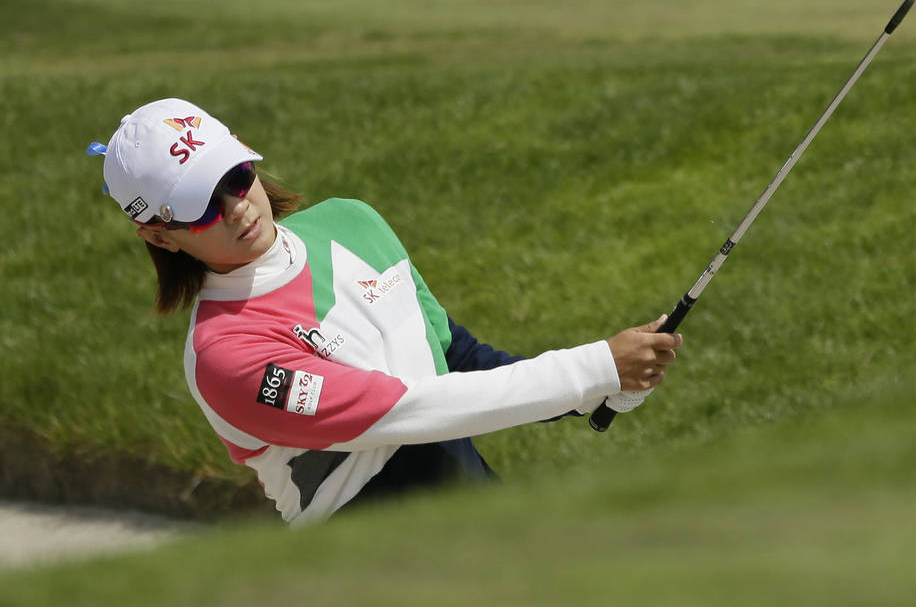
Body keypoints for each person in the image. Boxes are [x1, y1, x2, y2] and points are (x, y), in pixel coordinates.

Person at [88, 98, 681, 527]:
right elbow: (405, 410)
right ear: (161, 237)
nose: (237, 206)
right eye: (201, 207)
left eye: (236, 177)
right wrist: (592, 369)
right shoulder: (225, 355)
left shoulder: (350, 222)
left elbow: (454, 361)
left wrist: (596, 393)